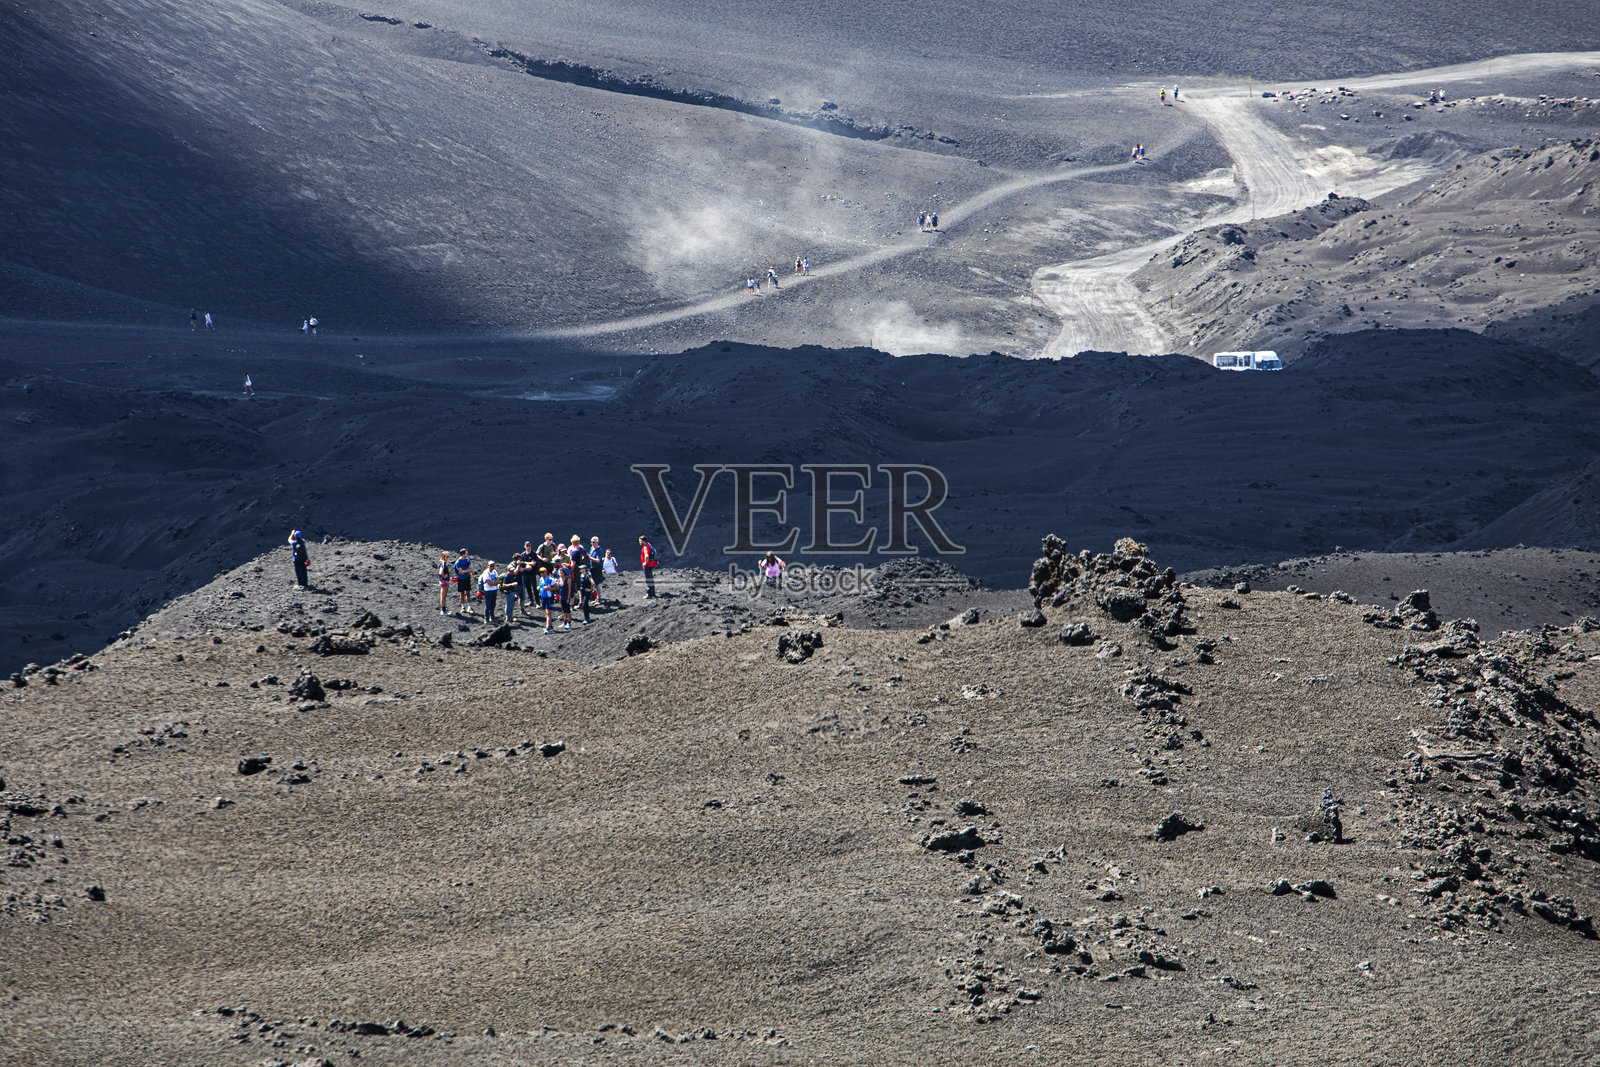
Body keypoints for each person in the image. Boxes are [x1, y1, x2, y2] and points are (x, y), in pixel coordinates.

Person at [537, 566, 558, 632]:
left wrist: (549, 589)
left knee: (548, 612)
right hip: (543, 597)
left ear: (546, 572)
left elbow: (556, 587)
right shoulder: (541, 579)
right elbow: (541, 586)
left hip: (549, 597)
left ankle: (547, 627)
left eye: (543, 572)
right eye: (540, 572)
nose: (542, 573)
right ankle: (550, 625)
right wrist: (539, 588)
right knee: (546, 612)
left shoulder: (550, 579)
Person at [503, 555, 521, 623]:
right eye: (511, 571)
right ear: (508, 570)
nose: (512, 572)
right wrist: (511, 585)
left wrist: (515, 591)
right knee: (509, 604)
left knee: (512, 604)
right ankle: (508, 617)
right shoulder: (507, 576)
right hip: (508, 592)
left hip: (512, 591)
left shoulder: (512, 575)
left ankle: (510, 616)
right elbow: (504, 585)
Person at [437, 551, 452, 615]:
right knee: (443, 596)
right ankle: (443, 610)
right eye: (447, 556)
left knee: (443, 596)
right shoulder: (442, 563)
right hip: (444, 581)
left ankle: (444, 609)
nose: (448, 558)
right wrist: (444, 576)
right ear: (443, 557)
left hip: (444, 581)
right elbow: (440, 572)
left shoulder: (443, 563)